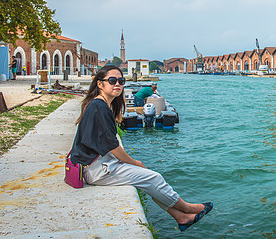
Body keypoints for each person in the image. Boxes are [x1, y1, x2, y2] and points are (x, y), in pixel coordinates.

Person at [69, 65, 212, 231]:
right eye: (112, 80)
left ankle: (180, 217)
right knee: (154, 178)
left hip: (95, 165)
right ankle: (187, 208)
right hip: (95, 169)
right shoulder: (99, 107)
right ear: (100, 84)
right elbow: (112, 146)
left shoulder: (98, 105)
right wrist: (135, 162)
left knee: (147, 180)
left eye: (121, 81)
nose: (118, 84)